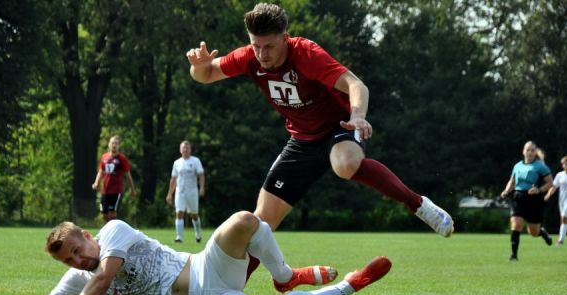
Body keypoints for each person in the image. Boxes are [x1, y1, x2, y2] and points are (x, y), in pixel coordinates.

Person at [186, 3, 454, 241]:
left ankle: (418, 204)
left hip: (338, 127)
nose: (261, 54)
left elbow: (355, 84)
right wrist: (198, 66)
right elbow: (206, 74)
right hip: (301, 140)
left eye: (268, 46)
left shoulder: (305, 54)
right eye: (256, 45)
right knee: (261, 225)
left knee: (345, 164)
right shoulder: (248, 56)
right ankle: (228, 293)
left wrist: (357, 116)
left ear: (285, 38)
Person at [0, 211, 391, 295]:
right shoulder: (79, 278)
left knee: (244, 221)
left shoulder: (114, 231)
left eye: (77, 250)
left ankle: (283, 275)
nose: (78, 261)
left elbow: (102, 279)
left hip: (202, 269)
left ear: (89, 235)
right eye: (68, 261)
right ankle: (352, 285)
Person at [500, 141, 554, 261]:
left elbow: (550, 183)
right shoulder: (517, 165)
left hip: (534, 199)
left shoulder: (540, 166)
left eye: (532, 150)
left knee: (533, 232)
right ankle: (514, 256)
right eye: (527, 150)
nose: (530, 152)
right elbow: (512, 181)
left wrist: (539, 190)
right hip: (518, 197)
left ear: (535, 152)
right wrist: (506, 191)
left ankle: (542, 233)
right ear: (523, 151)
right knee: (516, 224)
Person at [166, 140, 205, 243]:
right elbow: (173, 179)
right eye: (183, 148)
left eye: (187, 148)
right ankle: (179, 237)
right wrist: (170, 193)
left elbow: (201, 175)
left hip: (192, 192)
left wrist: (201, 188)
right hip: (180, 192)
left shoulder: (195, 161)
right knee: (179, 212)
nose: (185, 149)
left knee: (194, 214)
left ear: (190, 149)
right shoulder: (177, 163)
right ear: (180, 150)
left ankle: (198, 234)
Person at [92, 135, 136, 222]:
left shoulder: (122, 159)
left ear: (119, 146)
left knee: (112, 212)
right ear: (109, 144)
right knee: (104, 213)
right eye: (112, 143)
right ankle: (107, 231)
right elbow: (101, 171)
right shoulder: (104, 157)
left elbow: (128, 175)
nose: (114, 145)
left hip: (116, 190)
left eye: (116, 143)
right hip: (105, 190)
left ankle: (112, 232)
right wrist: (96, 182)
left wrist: (132, 189)